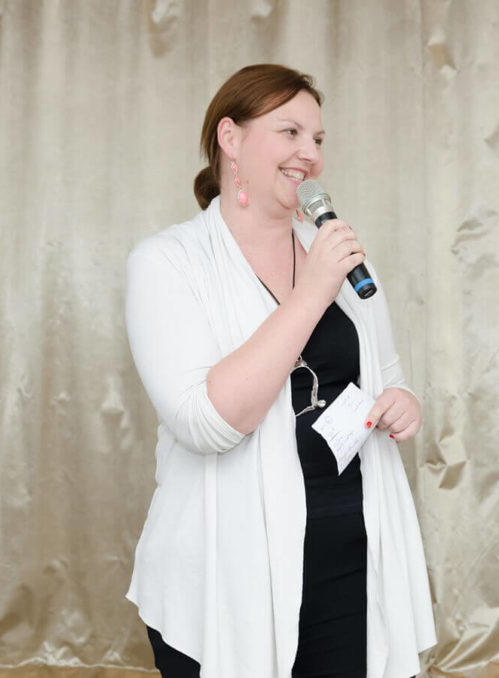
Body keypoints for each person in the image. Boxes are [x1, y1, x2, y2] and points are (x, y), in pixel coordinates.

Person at [124, 64, 436, 678]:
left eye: (317, 139)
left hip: (349, 557)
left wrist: (402, 400)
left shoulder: (337, 255)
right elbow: (208, 424)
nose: (309, 154)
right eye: (289, 132)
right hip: (226, 573)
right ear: (230, 138)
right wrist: (312, 291)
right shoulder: (166, 262)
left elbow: (388, 375)